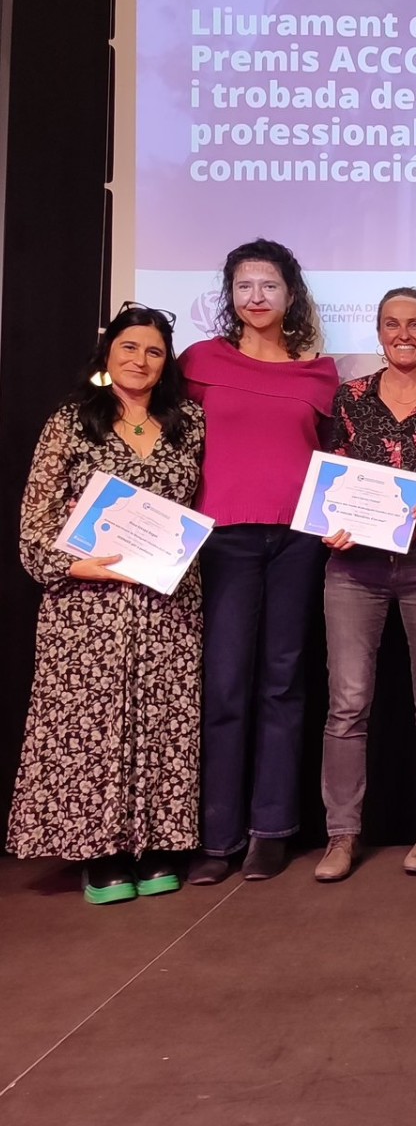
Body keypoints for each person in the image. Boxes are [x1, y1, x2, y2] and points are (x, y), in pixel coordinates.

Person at [8, 304, 205, 904]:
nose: (140, 360)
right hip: (87, 606)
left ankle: (159, 844)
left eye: (154, 351)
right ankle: (100, 854)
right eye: (129, 348)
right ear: (107, 353)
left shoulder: (189, 422)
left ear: (167, 362)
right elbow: (35, 521)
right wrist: (74, 565)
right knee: (90, 727)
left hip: (168, 606)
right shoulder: (71, 421)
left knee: (164, 723)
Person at [312, 289, 416, 883]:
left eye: (415, 324)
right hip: (354, 566)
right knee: (347, 702)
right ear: (379, 331)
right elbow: (331, 476)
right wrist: (330, 522)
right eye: (392, 324)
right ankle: (341, 834)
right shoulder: (350, 397)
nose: (403, 334)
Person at [180, 240, 338, 884]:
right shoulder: (198, 361)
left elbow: (329, 457)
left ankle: (270, 830)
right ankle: (217, 839)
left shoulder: (319, 374)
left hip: (298, 541)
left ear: (290, 294)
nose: (256, 297)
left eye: (269, 285)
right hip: (223, 540)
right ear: (229, 294)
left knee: (283, 682)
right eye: (244, 285)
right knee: (224, 686)